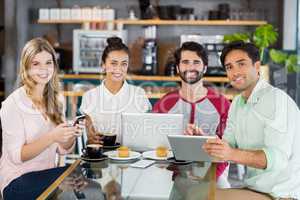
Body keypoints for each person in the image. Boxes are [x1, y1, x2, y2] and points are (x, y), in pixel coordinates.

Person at [203, 41, 300, 199]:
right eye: (229, 67)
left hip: (281, 194)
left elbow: (277, 160)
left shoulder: (276, 100)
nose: (235, 72)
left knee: (198, 196)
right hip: (254, 188)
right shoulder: (237, 103)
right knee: (191, 191)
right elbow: (228, 144)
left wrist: (231, 153)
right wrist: (205, 140)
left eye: (241, 64)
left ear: (256, 66)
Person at [0, 38, 81, 199]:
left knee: (81, 178)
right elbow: (17, 157)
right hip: (16, 183)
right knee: (72, 181)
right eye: (36, 64)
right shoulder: (12, 104)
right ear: (26, 67)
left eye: (48, 63)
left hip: (47, 176)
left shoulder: (56, 99)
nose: (44, 69)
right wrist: (51, 137)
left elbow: (63, 149)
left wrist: (70, 134)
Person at [153, 41, 231, 188]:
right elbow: (155, 145)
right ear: (177, 68)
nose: (190, 67)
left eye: (196, 62)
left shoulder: (222, 104)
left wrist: (208, 177)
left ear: (205, 67)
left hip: (212, 171)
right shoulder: (165, 103)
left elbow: (228, 147)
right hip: (172, 172)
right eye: (185, 62)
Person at [80, 37, 152, 145]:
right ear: (103, 65)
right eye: (113, 63)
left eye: (124, 64)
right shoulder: (89, 97)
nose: (119, 69)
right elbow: (91, 139)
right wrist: (91, 140)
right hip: (102, 157)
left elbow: (147, 133)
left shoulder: (139, 94)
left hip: (132, 157)